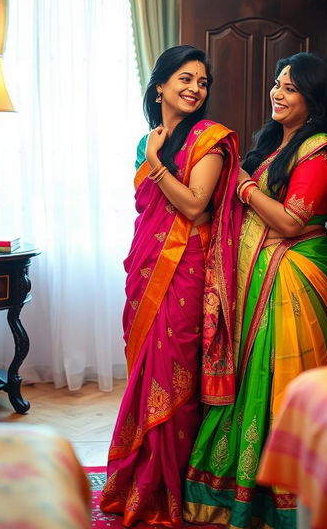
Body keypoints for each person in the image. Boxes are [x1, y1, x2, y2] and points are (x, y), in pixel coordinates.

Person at [183, 52, 327, 529]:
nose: (277, 93)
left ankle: (280, 499)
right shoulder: (279, 143)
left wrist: (244, 188)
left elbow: (293, 222)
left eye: (291, 87)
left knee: (275, 379)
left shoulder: (320, 151)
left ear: (313, 99)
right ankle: (237, 489)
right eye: (277, 83)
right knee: (252, 373)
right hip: (261, 277)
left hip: (292, 282)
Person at [100, 45, 242, 527]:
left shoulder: (210, 140)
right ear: (159, 85)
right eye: (185, 78)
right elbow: (149, 208)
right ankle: (138, 479)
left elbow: (195, 207)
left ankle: (170, 490)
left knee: (175, 367)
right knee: (146, 365)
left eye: (202, 82)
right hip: (148, 262)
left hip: (186, 265)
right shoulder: (149, 141)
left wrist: (159, 164)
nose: (194, 88)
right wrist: (155, 156)